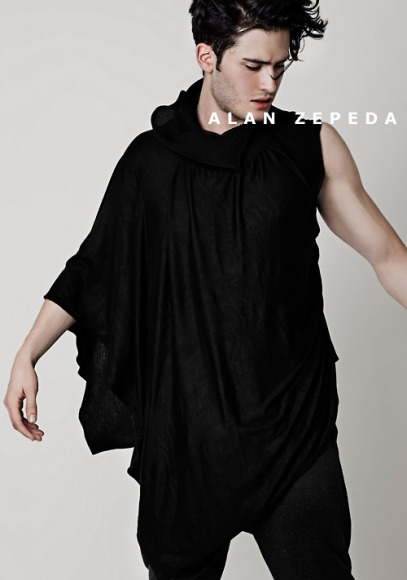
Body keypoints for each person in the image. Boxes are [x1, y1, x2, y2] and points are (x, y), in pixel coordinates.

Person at [4, 1, 407, 579]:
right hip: (186, 437)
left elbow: (389, 256)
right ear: (206, 56)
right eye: (254, 66)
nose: (270, 83)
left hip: (294, 432)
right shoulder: (149, 162)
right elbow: (93, 268)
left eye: (281, 67)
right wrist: (27, 353)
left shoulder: (308, 145)